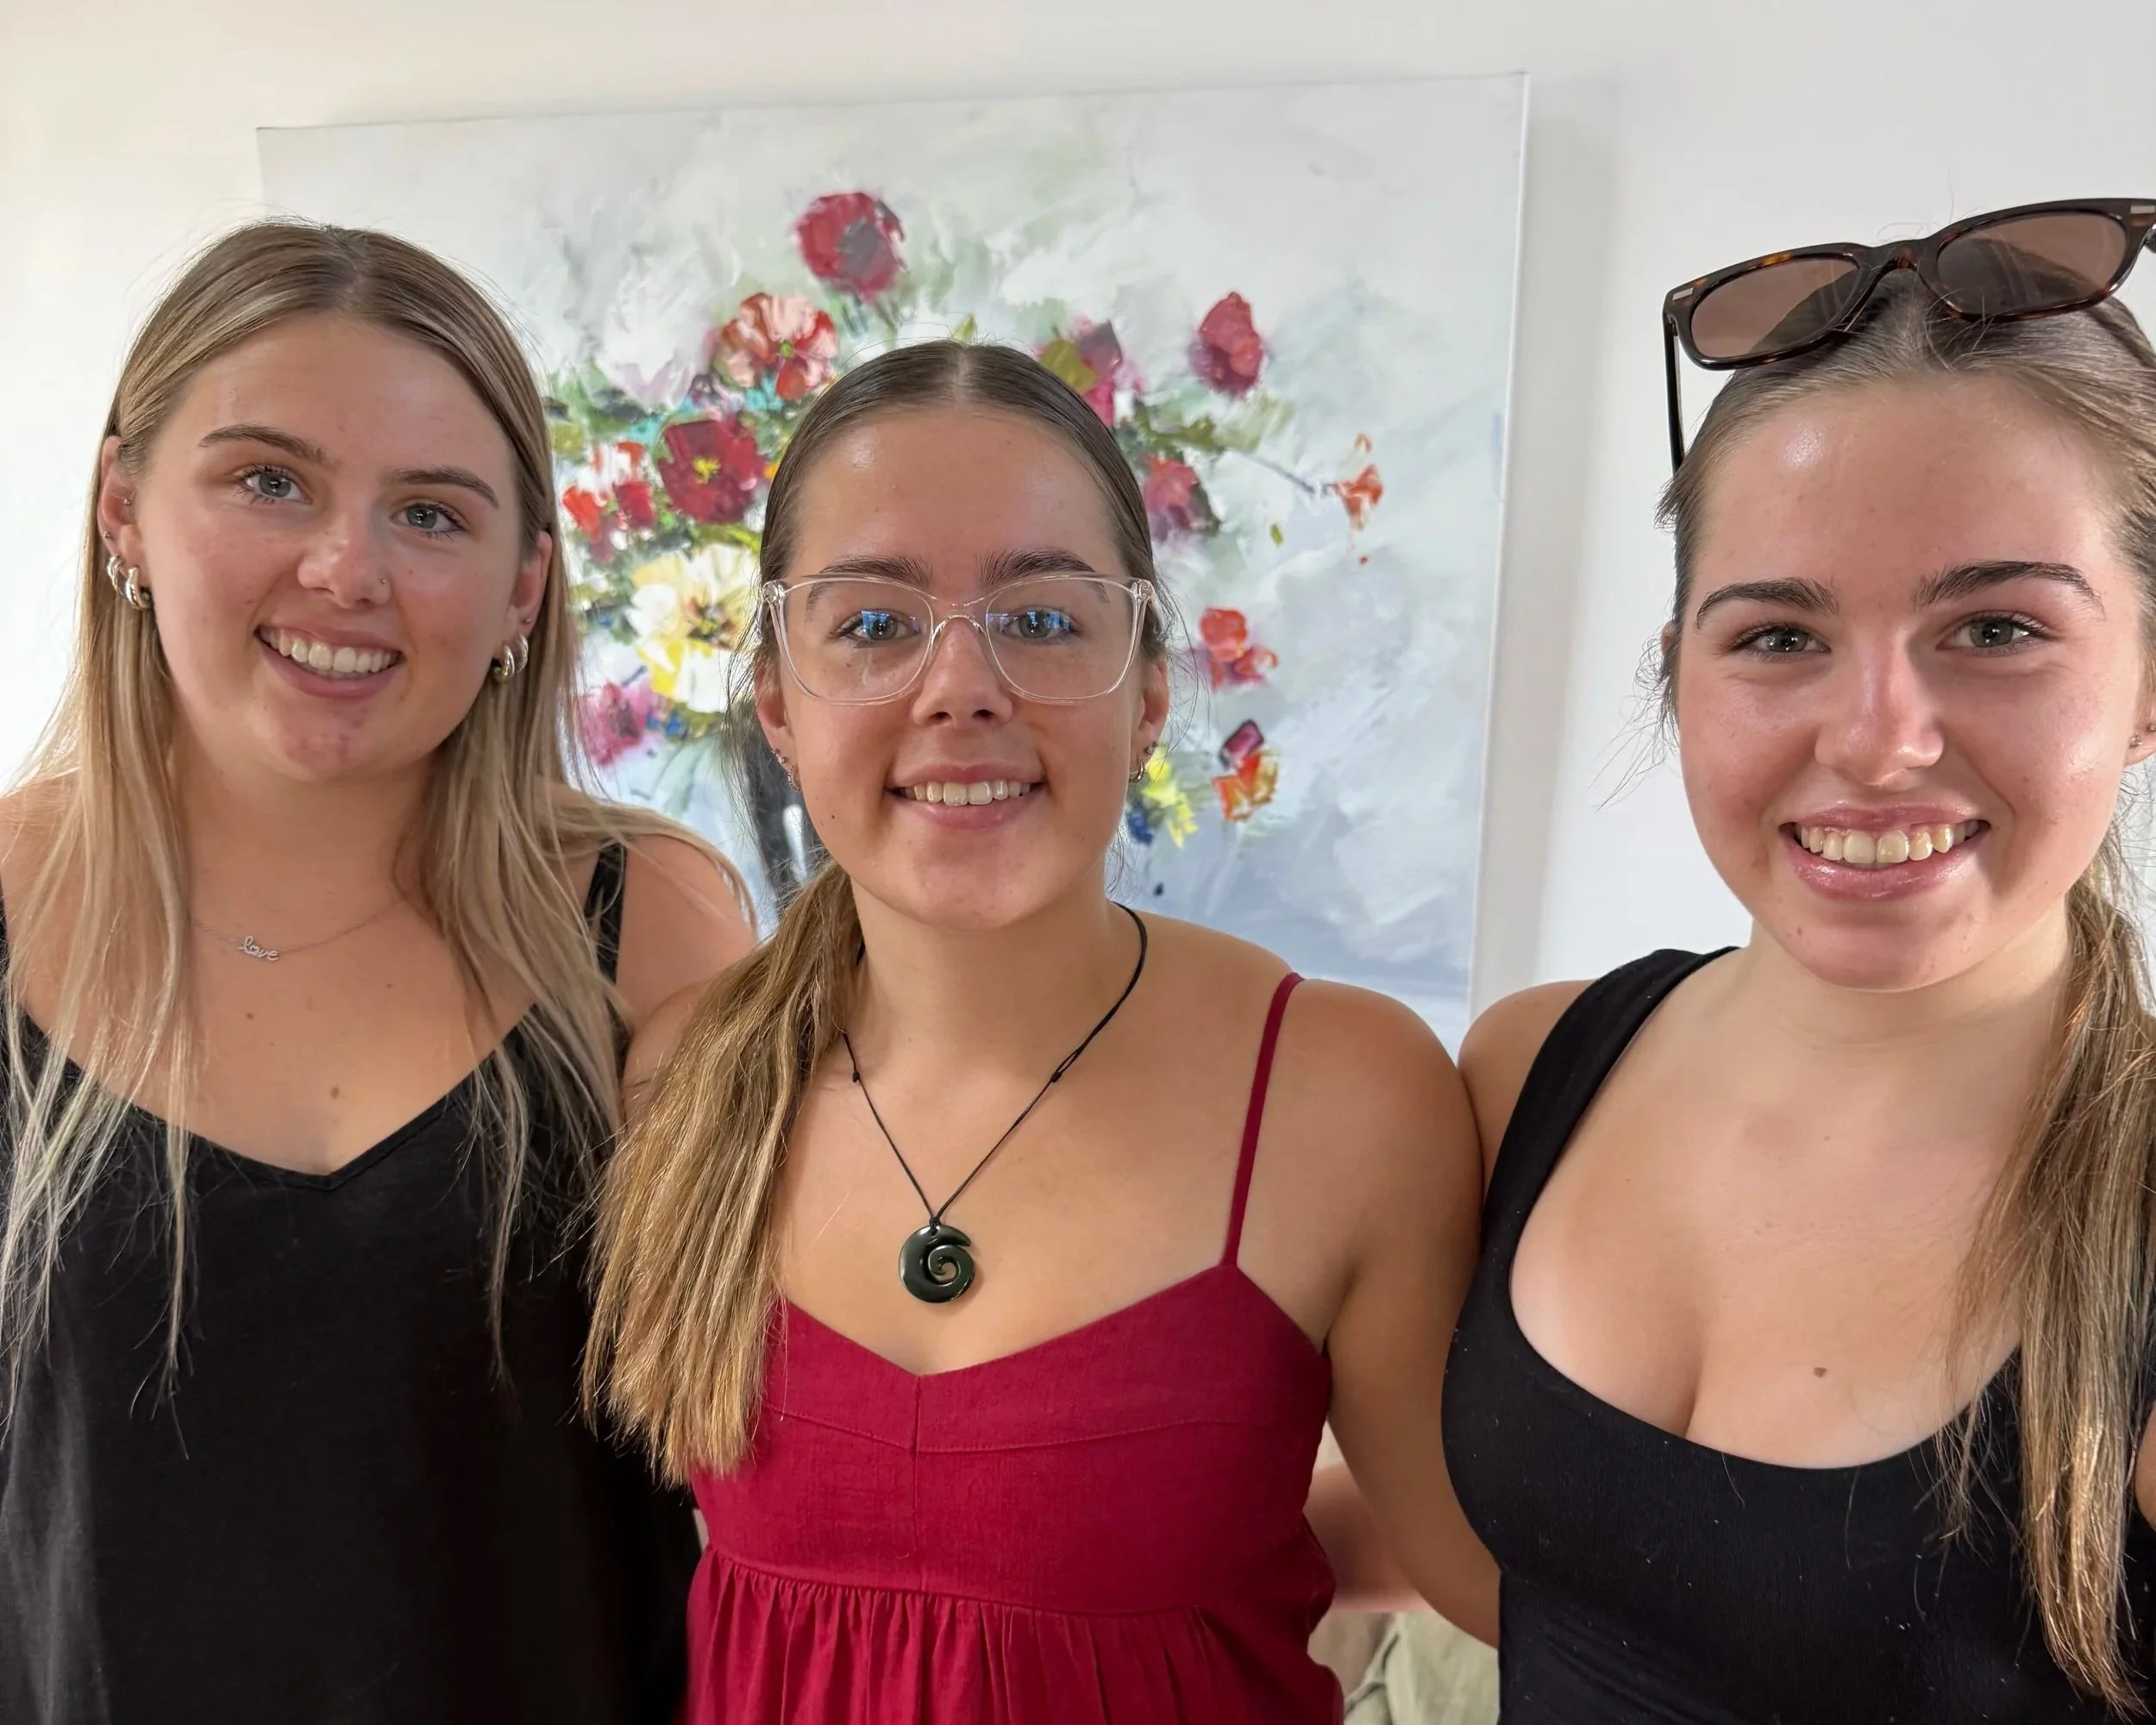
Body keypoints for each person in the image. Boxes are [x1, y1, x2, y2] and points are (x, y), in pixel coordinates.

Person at [584, 339, 1498, 1723]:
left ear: (1150, 689)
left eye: (1045, 619)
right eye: (876, 625)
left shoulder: (1341, 1094)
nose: (962, 689)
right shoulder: (687, 1077)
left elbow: (1492, 1573)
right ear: (775, 694)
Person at [0, 222, 754, 1725]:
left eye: (431, 512)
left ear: (524, 589)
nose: (347, 567)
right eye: (267, 480)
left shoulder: (644, 914)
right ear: (122, 512)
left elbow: (809, 1425)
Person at [1445, 205, 2156, 1719]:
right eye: (1777, 639)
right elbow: (1539, 1576)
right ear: (1677, 671)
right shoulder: (1531, 1068)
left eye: (2000, 628)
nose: (1878, 737)